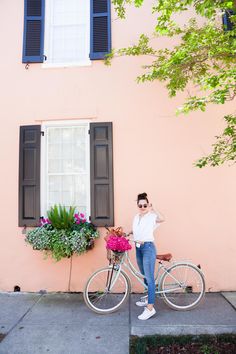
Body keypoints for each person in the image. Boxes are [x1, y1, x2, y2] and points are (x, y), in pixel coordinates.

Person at [130, 192, 165, 320]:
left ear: (148, 205)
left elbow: (162, 219)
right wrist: (128, 234)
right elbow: (137, 231)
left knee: (149, 278)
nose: (143, 207)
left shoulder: (151, 216)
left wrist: (153, 208)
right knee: (144, 275)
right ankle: (147, 298)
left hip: (148, 248)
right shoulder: (136, 217)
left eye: (145, 205)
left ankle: (150, 308)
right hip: (138, 248)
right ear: (137, 205)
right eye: (141, 205)